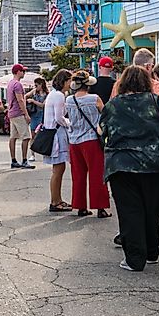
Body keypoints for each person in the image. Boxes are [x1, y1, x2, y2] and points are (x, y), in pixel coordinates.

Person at [100, 66, 159, 271]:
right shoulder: (154, 101)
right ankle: (152, 252)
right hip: (154, 163)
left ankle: (134, 258)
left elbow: (101, 130)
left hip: (122, 164)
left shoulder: (113, 105)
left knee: (130, 210)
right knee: (153, 207)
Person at [65, 70, 110, 218]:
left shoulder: (69, 100)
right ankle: (100, 207)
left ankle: (80, 206)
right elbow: (105, 115)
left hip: (74, 140)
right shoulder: (94, 99)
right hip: (91, 139)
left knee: (78, 175)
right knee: (97, 174)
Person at [45, 69, 72, 212]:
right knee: (58, 169)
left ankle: (57, 199)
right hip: (56, 134)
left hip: (51, 132)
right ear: (65, 81)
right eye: (69, 81)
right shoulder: (60, 96)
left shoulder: (53, 94)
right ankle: (55, 201)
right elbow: (59, 118)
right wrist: (70, 123)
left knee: (58, 169)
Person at [7, 64, 34, 169]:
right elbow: (20, 100)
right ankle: (24, 160)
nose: (24, 73)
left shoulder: (10, 83)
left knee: (13, 137)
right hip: (18, 113)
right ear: (18, 72)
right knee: (26, 137)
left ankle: (13, 160)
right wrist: (26, 114)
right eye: (23, 71)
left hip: (11, 112)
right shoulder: (18, 85)